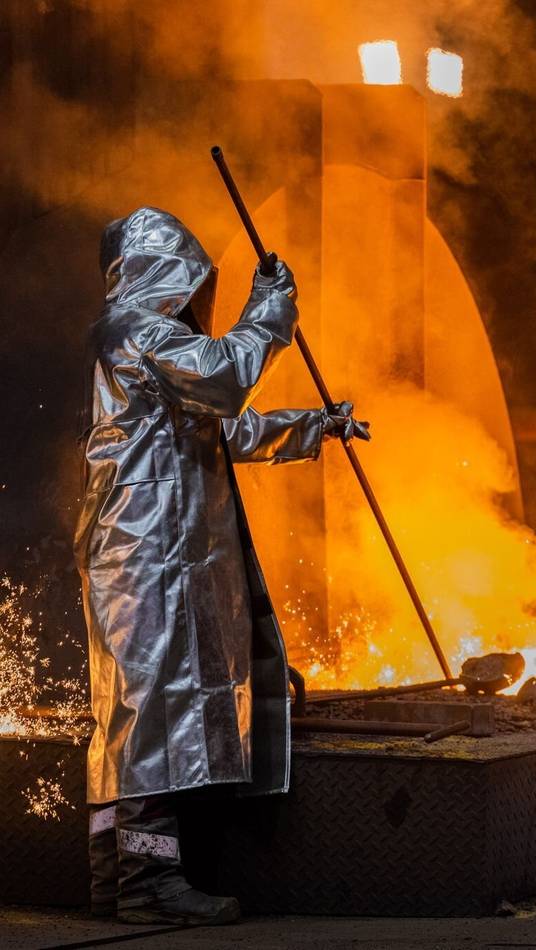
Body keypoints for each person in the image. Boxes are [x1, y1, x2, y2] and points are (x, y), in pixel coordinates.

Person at [74, 207, 368, 925]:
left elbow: (227, 425)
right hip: (146, 555)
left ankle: (116, 876)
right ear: (162, 273)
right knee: (149, 713)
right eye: (191, 282)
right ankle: (147, 884)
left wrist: (315, 425)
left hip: (150, 553)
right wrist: (269, 310)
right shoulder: (134, 332)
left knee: (136, 712)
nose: (196, 299)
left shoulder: (150, 346)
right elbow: (230, 375)